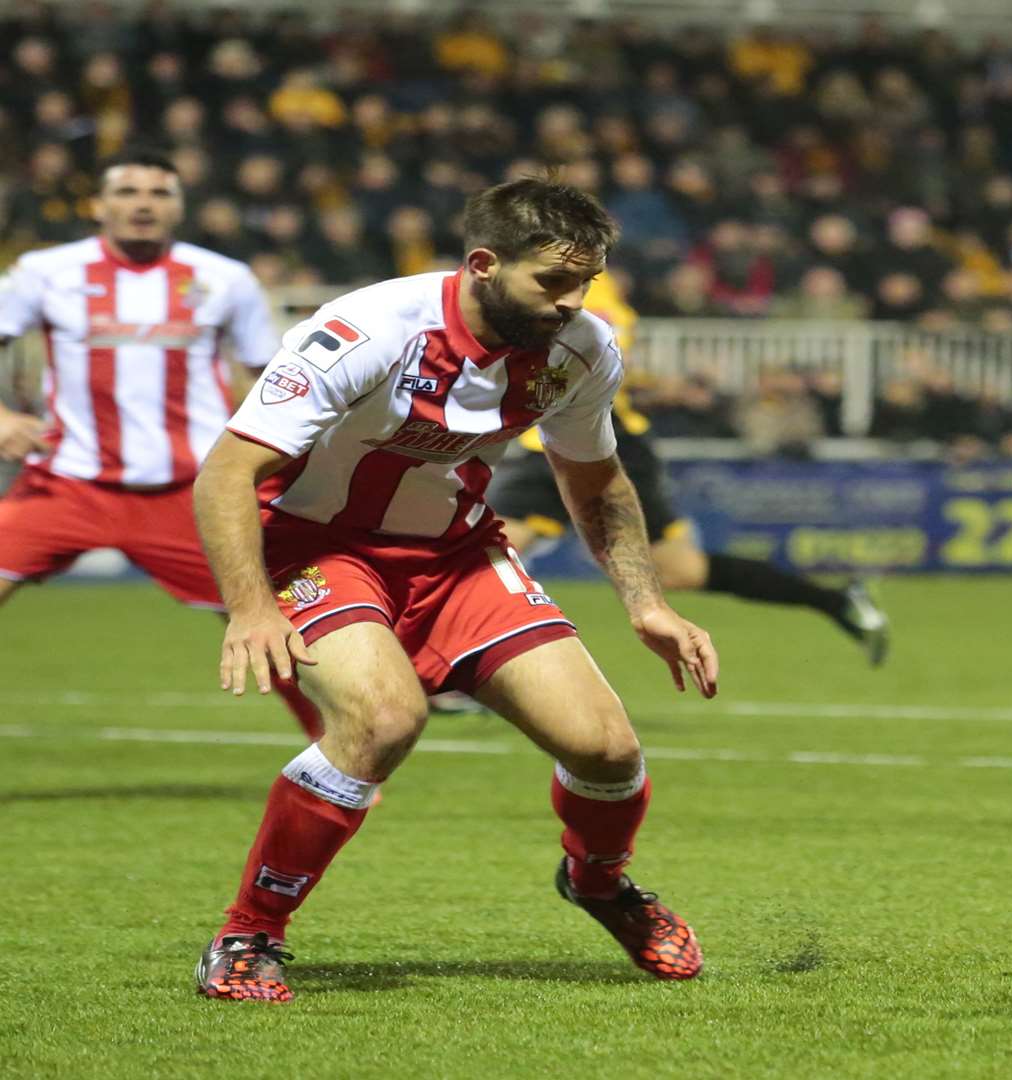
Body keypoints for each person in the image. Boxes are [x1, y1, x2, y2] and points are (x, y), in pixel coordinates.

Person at [190, 177, 718, 1003]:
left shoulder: (581, 348)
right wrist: (252, 606)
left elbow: (595, 478)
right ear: (482, 263)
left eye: (585, 281)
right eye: (552, 282)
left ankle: (601, 884)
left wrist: (646, 603)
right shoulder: (364, 331)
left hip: (458, 555)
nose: (573, 301)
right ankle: (249, 932)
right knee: (383, 719)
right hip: (317, 547)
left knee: (606, 750)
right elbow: (227, 471)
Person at [0, 148, 324, 740]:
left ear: (179, 206)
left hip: (190, 492)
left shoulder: (224, 278)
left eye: (158, 193)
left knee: (265, 617)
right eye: (127, 192)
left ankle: (342, 750)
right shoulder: (46, 272)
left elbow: (271, 375)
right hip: (67, 482)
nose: (143, 204)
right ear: (97, 206)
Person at [487, 275, 890, 672]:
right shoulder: (571, 286)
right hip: (585, 436)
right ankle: (835, 600)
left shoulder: (587, 293)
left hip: (588, 439)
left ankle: (463, 673)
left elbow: (573, 359)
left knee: (493, 551)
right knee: (677, 569)